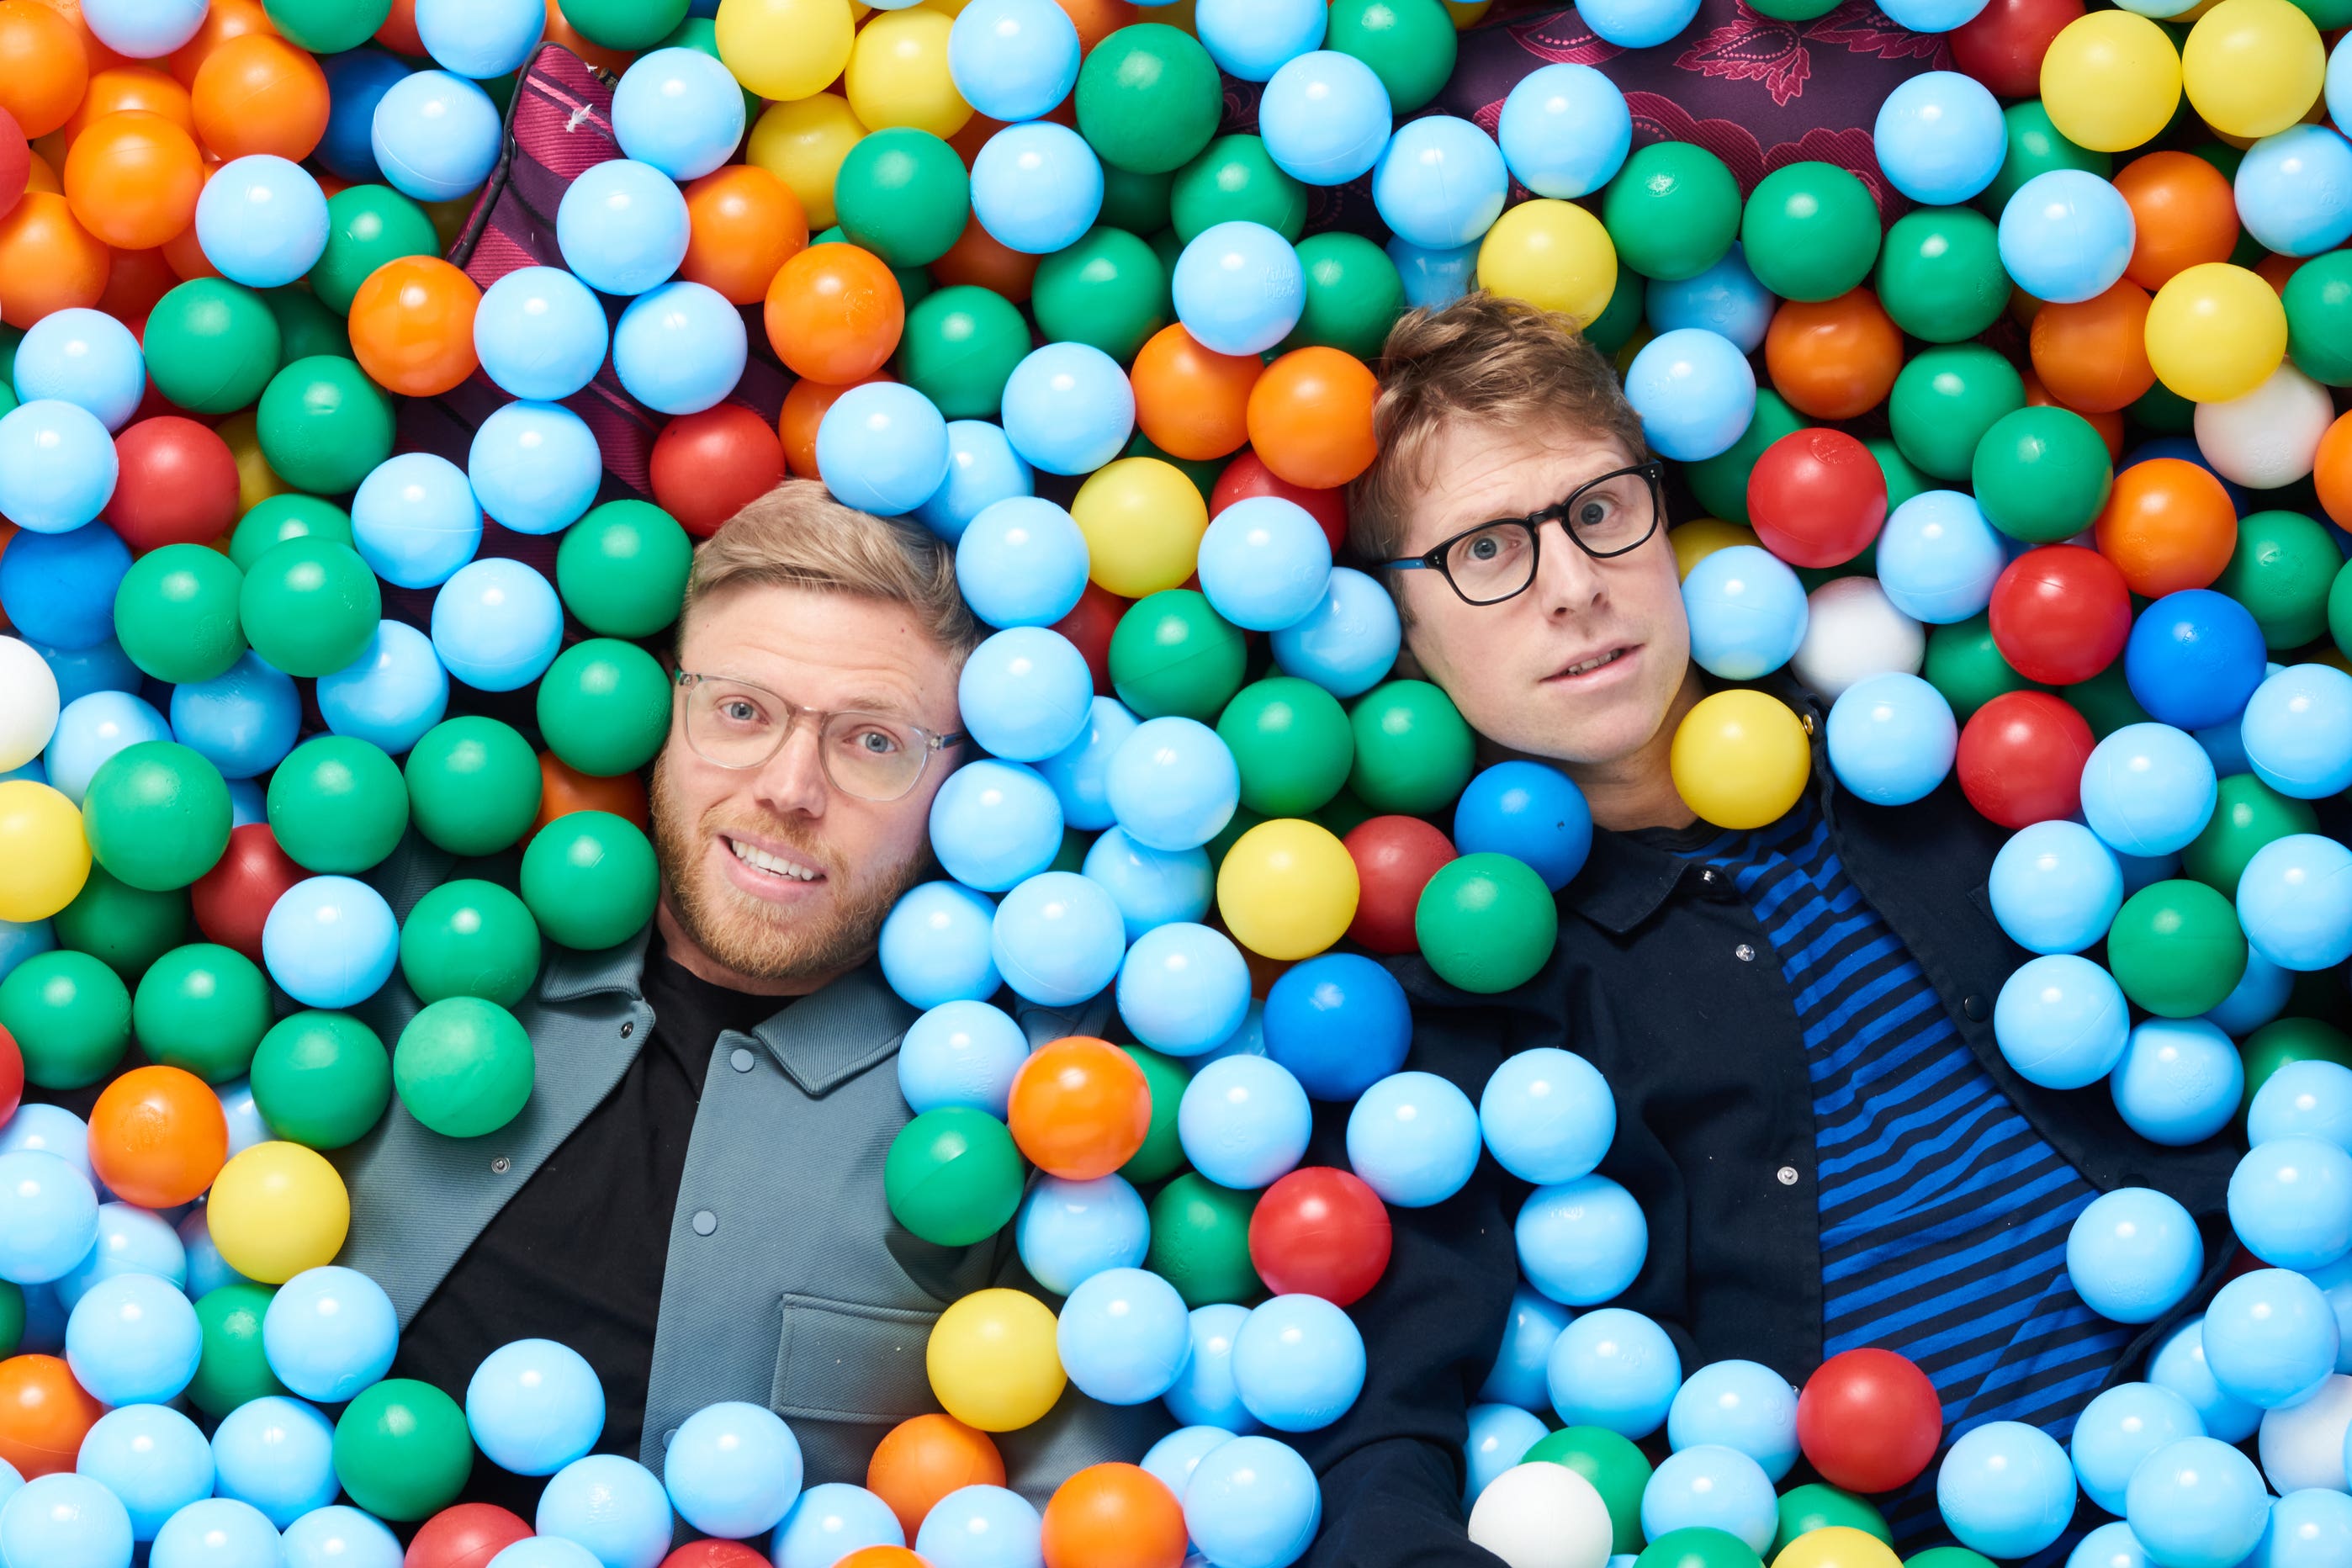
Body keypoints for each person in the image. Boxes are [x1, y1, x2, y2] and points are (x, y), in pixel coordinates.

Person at [1296, 294, 2239, 1565]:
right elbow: (1380, 1427)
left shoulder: (1931, 744)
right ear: (1395, 625)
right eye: (1484, 551)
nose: (1572, 587)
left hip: (2251, 1371)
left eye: (1596, 511)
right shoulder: (1479, 996)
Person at [339, 482, 1157, 1517]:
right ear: (657, 717)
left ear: (966, 787)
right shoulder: (413, 933)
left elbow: (1072, 1504)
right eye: (741, 711)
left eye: (873, 741)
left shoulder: (1028, 1100)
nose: (789, 786)